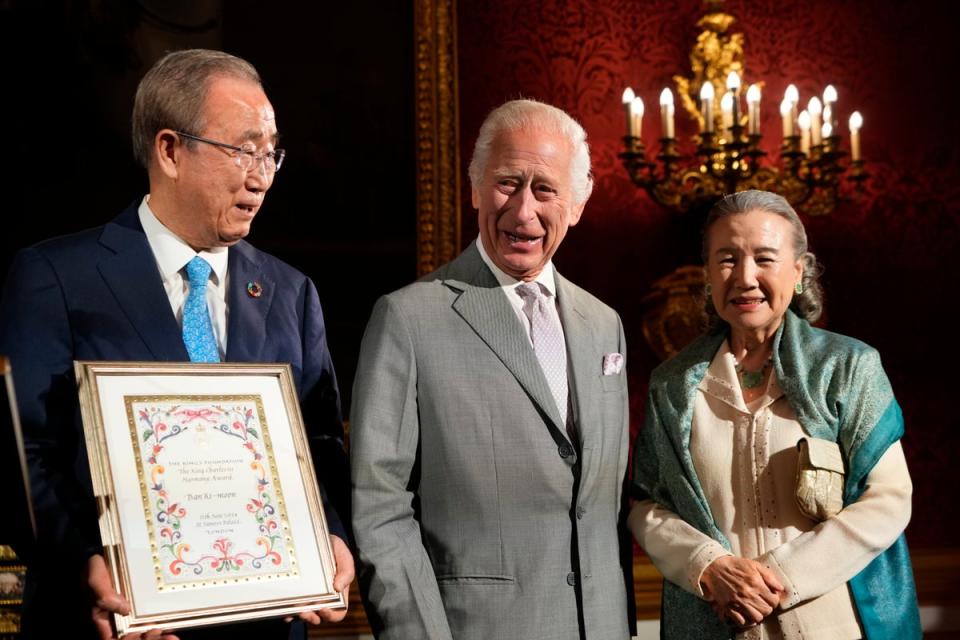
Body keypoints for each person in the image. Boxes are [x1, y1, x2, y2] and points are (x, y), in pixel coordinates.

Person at [0, 49, 354, 640]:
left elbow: (320, 446)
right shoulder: (56, 278)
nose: (262, 175)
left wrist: (332, 537)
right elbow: (22, 453)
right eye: (244, 150)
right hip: (107, 624)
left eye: (271, 153)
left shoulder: (291, 293)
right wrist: (84, 563)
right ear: (169, 150)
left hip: (264, 626)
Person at [350, 99, 635, 639]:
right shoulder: (408, 318)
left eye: (545, 190)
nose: (524, 211)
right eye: (508, 183)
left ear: (576, 203)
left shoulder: (604, 325)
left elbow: (604, 509)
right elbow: (379, 506)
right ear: (476, 186)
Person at [630, 189, 921, 639]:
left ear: (799, 271)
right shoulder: (672, 386)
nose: (745, 277)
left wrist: (778, 577)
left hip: (832, 625)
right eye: (726, 259)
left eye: (765, 258)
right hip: (715, 621)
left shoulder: (847, 367)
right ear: (707, 275)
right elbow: (646, 504)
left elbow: (888, 498)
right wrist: (710, 566)